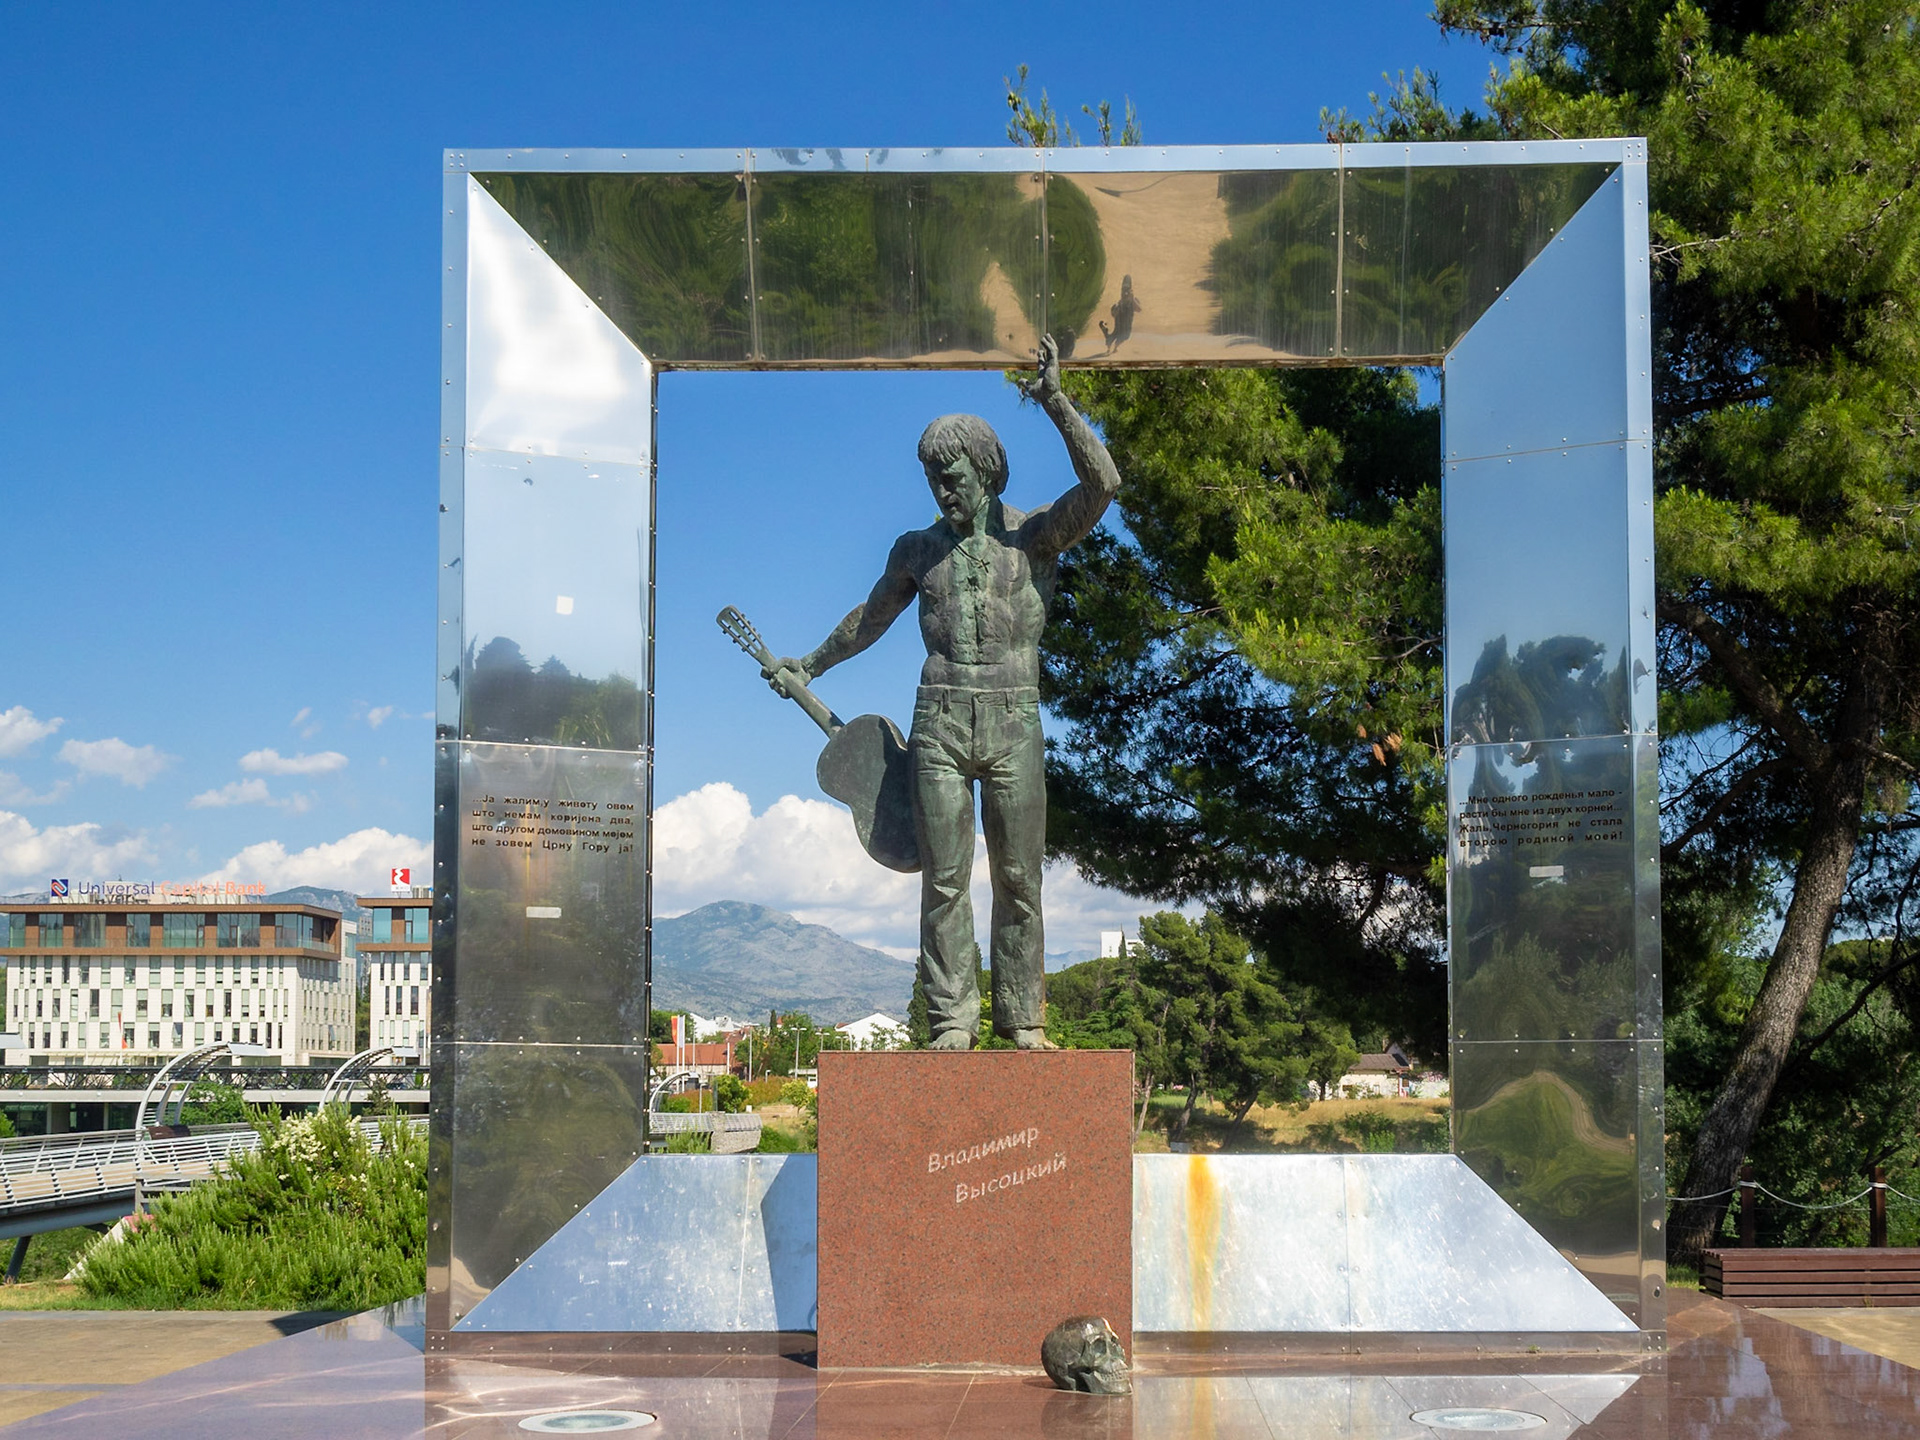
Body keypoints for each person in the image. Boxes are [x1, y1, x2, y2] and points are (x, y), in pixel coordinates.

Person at [765, 335, 1122, 1049]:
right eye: (934, 481)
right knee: (945, 882)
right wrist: (809, 665)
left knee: (1019, 881)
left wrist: (1054, 399)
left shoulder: (1036, 538)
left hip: (1014, 717)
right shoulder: (915, 550)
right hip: (939, 723)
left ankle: (1023, 1022)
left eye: (954, 477)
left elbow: (1104, 486)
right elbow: (868, 619)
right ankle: (952, 1023)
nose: (944, 492)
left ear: (986, 471)